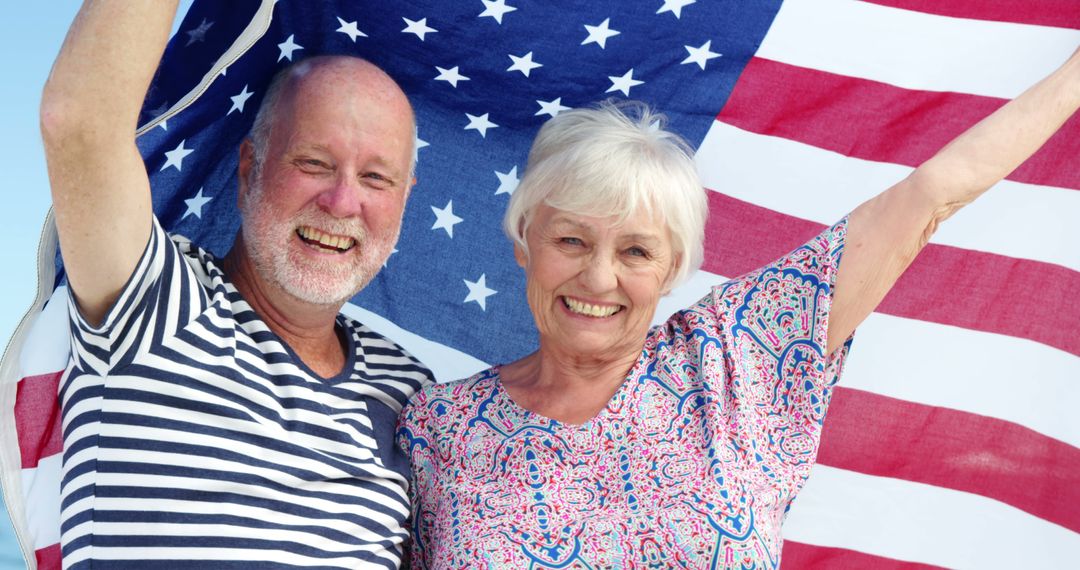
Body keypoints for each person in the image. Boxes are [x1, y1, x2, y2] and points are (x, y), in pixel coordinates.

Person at [397, 47, 1080, 568]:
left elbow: (930, 196)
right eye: (571, 239)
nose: (598, 276)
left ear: (671, 271)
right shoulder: (437, 428)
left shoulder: (737, 356)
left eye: (636, 251)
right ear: (524, 244)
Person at [41, 2, 430, 568]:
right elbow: (79, 123)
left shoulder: (412, 392)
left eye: (375, 177)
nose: (343, 203)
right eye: (315, 162)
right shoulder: (156, 301)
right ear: (250, 167)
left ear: (404, 201)